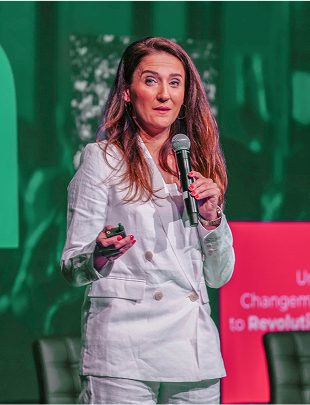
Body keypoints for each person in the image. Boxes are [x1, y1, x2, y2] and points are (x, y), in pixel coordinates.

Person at [60, 37, 235, 405]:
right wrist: (99, 255)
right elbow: (72, 266)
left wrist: (212, 219)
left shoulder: (197, 164)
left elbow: (219, 276)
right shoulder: (102, 159)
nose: (163, 94)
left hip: (193, 348)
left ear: (185, 95)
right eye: (151, 80)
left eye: (175, 83)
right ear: (127, 92)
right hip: (124, 346)